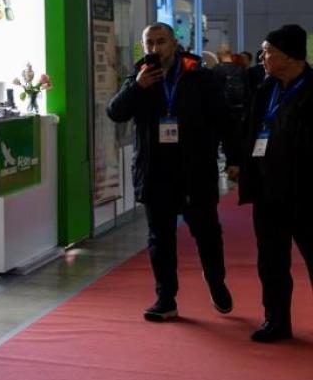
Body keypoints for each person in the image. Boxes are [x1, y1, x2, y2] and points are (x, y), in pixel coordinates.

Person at [107, 23, 238, 322]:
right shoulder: (139, 76)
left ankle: (215, 280)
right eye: (149, 43)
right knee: (160, 238)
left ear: (174, 44)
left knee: (207, 233)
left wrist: (234, 158)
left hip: (195, 170)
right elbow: (115, 112)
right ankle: (166, 298)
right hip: (155, 171)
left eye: (161, 41)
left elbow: (224, 119)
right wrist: (137, 87)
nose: (155, 48)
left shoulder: (199, 76)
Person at [238, 24, 313, 343]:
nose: (262, 58)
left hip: (305, 194)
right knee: (271, 262)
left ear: (289, 56)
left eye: (268, 52)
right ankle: (276, 320)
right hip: (268, 192)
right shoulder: (265, 88)